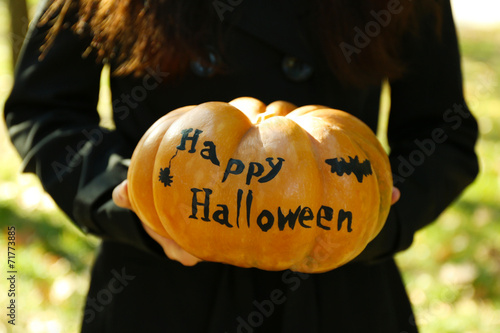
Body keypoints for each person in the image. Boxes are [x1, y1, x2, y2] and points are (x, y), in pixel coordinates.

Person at [4, 0, 479, 332]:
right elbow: (46, 109)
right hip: (157, 291)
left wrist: (372, 217)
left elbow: (444, 130)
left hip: (338, 293)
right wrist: (131, 197)